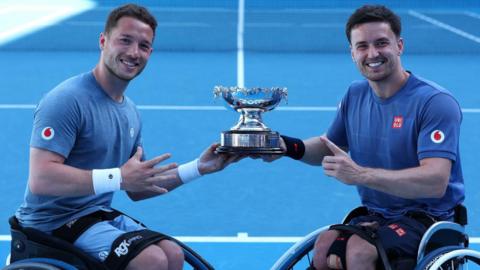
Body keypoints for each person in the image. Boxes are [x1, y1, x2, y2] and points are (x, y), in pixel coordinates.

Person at [14, 4, 240, 270]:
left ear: (150, 53)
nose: (134, 53)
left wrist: (200, 168)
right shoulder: (65, 100)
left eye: (143, 46)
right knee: (151, 259)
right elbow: (42, 179)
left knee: (173, 253)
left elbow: (137, 187)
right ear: (103, 41)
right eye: (125, 40)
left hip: (93, 217)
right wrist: (118, 177)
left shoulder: (131, 112)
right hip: (51, 225)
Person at [263, 4, 464, 270]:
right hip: (377, 216)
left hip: (429, 218)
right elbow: (328, 147)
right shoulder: (354, 95)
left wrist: (360, 175)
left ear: (399, 45)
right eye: (362, 46)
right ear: (352, 53)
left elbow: (435, 182)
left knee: (358, 252)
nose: (372, 54)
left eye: (381, 43)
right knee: (324, 247)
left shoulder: (435, 102)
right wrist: (285, 146)